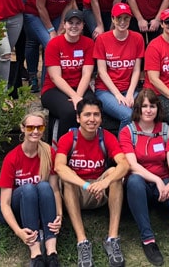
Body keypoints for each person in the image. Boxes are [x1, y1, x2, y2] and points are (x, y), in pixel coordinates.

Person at [120, 90, 169, 267]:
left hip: (164, 182)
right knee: (134, 181)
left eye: (152, 106)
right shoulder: (128, 132)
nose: (148, 110)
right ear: (138, 109)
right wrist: (156, 180)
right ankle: (148, 240)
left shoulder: (165, 130)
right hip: (141, 184)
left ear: (157, 108)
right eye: (144, 106)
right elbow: (132, 165)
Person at [55, 98, 130, 267]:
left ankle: (112, 238)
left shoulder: (106, 137)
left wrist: (105, 182)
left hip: (99, 189)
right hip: (78, 190)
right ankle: (82, 241)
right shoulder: (68, 138)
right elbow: (59, 167)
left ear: (101, 118)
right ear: (78, 118)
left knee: (114, 173)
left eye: (96, 115)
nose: (92, 119)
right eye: (87, 115)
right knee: (67, 176)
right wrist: (85, 185)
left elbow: (125, 164)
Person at [0, 109, 62, 267]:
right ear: (22, 128)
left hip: (34, 205)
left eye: (40, 127)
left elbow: (55, 190)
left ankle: (51, 252)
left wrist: (59, 215)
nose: (35, 131)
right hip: (11, 207)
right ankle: (35, 253)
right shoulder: (12, 158)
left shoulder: (48, 152)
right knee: (28, 188)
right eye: (30, 127)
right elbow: (5, 203)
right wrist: (18, 232)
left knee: (44, 186)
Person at [40, 10, 95, 137]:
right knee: (69, 111)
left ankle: (88, 143)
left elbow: (87, 74)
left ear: (83, 26)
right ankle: (63, 146)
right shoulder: (53, 44)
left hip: (80, 87)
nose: (74, 26)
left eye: (78, 23)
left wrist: (78, 96)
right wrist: (75, 97)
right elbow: (55, 77)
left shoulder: (88, 43)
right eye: (70, 23)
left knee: (93, 108)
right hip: (54, 89)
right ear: (64, 24)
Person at [93, 3, 145, 130]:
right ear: (112, 19)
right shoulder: (102, 39)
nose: (122, 22)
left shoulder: (137, 38)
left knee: (147, 110)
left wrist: (130, 93)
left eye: (126, 18)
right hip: (106, 91)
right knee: (128, 115)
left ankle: (142, 140)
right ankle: (122, 142)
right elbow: (102, 71)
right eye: (118, 18)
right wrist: (118, 95)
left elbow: (136, 70)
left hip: (129, 89)